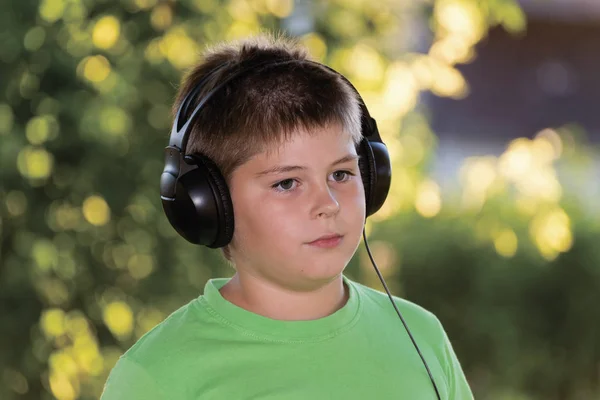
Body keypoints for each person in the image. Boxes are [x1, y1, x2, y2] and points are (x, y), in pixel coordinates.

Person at [101, 33, 474, 399]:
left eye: (341, 174)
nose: (328, 203)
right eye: (287, 183)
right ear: (208, 204)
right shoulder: (158, 376)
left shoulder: (420, 337)